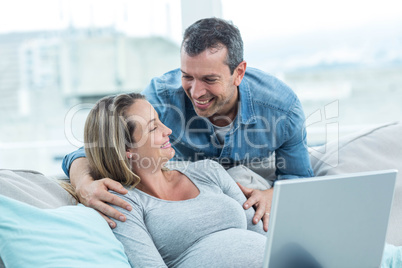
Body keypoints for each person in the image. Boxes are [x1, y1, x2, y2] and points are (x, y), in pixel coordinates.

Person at [62, 17, 314, 231]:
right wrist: (84, 185)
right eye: (187, 76)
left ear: (239, 72)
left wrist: (273, 194)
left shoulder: (282, 108)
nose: (196, 92)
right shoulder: (162, 97)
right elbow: (99, 148)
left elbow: (300, 177)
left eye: (209, 79)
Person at [83, 93, 267, 267]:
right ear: (126, 149)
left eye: (160, 120)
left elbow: (264, 235)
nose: (168, 130)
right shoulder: (122, 202)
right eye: (154, 127)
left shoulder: (208, 171)